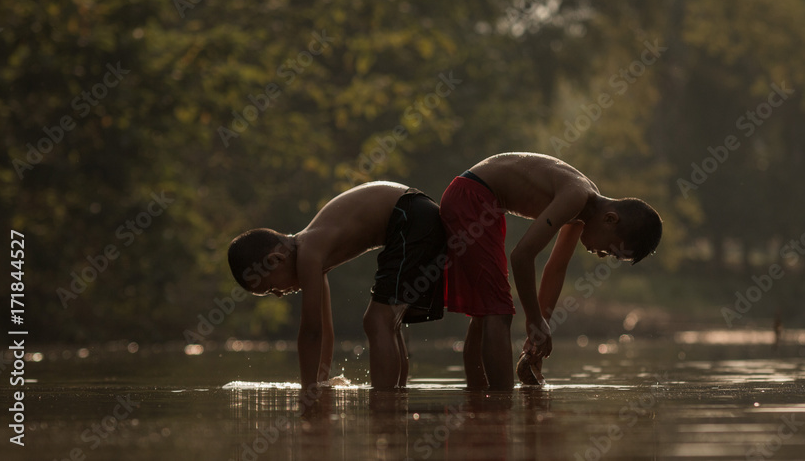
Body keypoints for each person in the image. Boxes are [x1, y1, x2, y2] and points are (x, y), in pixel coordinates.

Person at [439, 152, 662, 390]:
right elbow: (522, 256)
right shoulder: (576, 196)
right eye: (609, 250)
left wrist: (540, 328)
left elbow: (556, 267)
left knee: (487, 310)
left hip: (483, 202)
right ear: (610, 219)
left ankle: (479, 399)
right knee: (498, 310)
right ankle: (499, 404)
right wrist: (533, 318)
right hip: (472, 198)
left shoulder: (584, 209)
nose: (600, 254)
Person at [226, 182, 446, 408]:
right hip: (416, 215)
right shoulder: (313, 252)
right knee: (388, 322)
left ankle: (386, 406)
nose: (279, 295)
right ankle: (395, 402)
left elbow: (311, 331)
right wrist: (321, 383)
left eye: (272, 288)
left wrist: (307, 392)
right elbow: (325, 330)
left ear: (276, 259)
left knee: (378, 320)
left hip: (410, 215)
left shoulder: (308, 253)